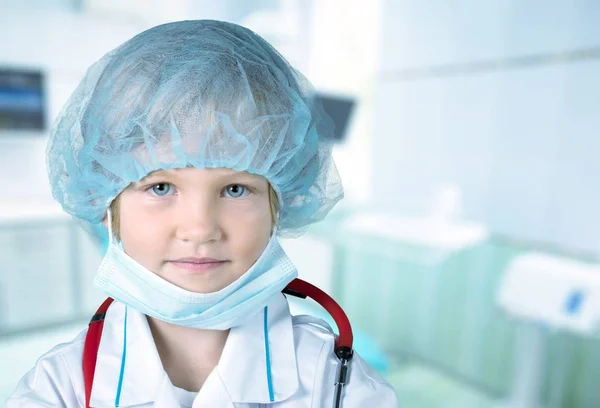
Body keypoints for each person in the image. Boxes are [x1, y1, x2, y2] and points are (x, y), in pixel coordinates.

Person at [5, 20, 399, 407]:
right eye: (160, 187)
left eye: (235, 189)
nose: (199, 228)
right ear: (106, 206)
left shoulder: (337, 384)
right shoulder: (59, 387)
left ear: (280, 207)